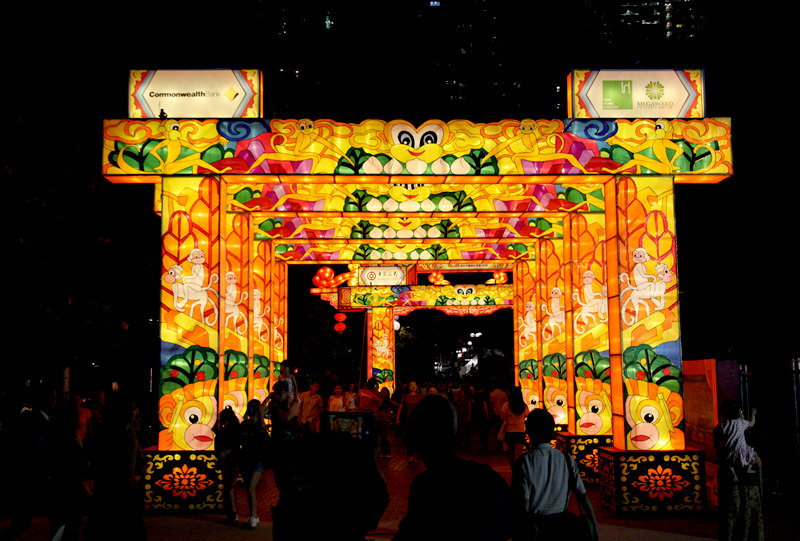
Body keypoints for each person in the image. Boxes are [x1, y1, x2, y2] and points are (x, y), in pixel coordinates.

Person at [394, 394, 510, 541]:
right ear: (454, 434)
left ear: (416, 441)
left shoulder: (424, 487)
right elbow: (519, 524)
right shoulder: (486, 477)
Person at [511, 409, 599, 541]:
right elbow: (583, 496)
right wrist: (594, 527)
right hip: (563, 525)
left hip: (537, 526)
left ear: (528, 432)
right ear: (552, 432)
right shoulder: (567, 459)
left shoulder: (525, 462)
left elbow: (524, 502)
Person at [239, 399, 268, 529]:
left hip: (257, 460)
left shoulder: (260, 427)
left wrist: (267, 399)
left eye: (253, 408)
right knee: (248, 488)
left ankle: (253, 516)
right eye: (250, 407)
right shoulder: (245, 424)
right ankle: (253, 516)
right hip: (246, 458)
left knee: (250, 487)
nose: (251, 411)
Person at [718, 402, 760, 482]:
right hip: (742, 450)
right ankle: (756, 474)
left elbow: (719, 436)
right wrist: (753, 414)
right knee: (756, 458)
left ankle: (734, 476)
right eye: (741, 412)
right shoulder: (741, 422)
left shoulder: (722, 424)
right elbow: (751, 424)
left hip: (728, 452)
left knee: (729, 463)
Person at [216, 407, 241, 525]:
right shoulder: (235, 430)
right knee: (229, 485)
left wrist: (224, 452)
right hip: (232, 460)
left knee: (228, 486)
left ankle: (232, 512)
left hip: (228, 461)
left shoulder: (227, 431)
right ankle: (231, 512)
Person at [396, 381, 423, 463]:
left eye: (415, 385)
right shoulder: (405, 396)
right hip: (408, 419)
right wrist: (397, 418)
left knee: (418, 438)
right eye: (411, 385)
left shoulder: (420, 396)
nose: (413, 386)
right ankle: (410, 456)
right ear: (409, 387)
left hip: (418, 420)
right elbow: (401, 407)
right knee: (408, 438)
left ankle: (418, 454)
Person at [501, 387, 529, 463]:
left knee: (511, 453)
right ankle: (518, 469)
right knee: (518, 454)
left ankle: (513, 467)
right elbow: (527, 415)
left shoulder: (506, 405)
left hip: (509, 431)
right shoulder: (524, 406)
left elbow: (502, 417)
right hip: (520, 431)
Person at [375, 387, 394, 458]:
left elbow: (385, 409)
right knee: (380, 436)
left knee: (383, 436)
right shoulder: (380, 400)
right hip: (379, 420)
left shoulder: (387, 401)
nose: (383, 393)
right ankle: (384, 452)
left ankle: (387, 452)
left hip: (384, 421)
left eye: (385, 392)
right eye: (382, 392)